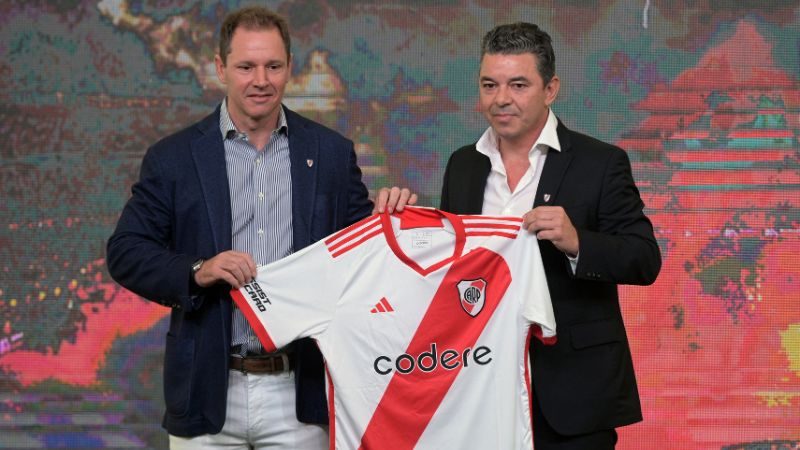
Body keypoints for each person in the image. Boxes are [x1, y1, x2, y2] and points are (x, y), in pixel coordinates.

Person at [106, 6, 414, 448]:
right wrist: (199, 270)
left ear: (289, 67)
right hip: (208, 392)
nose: (260, 80)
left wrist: (389, 225)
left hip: (302, 392)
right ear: (220, 68)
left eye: (273, 66)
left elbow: (361, 257)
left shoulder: (330, 153)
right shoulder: (172, 158)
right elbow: (126, 252)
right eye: (246, 66)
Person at [439, 22, 661, 449]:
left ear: (551, 88)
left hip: (573, 395)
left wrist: (578, 242)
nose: (501, 99)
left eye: (518, 85)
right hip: (477, 391)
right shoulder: (463, 163)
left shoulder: (601, 162)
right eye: (490, 85)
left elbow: (644, 258)